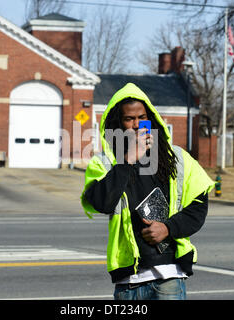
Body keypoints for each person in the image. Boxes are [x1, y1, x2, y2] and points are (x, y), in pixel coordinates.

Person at [80, 83, 215, 300]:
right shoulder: (104, 163)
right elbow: (102, 203)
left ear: (151, 118)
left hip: (169, 277)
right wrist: (128, 159)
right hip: (128, 282)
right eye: (129, 119)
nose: (136, 124)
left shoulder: (177, 158)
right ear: (118, 123)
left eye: (141, 117)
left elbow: (198, 208)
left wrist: (168, 228)